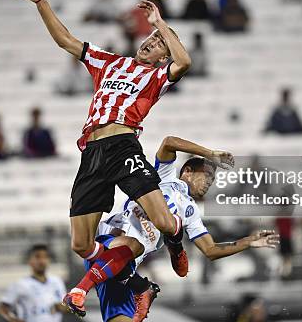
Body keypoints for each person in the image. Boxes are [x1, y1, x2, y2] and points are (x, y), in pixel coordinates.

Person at [12, 0, 192, 318]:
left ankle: (175, 241)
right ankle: (140, 286)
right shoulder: (108, 62)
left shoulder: (156, 78)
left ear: (160, 58)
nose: (150, 42)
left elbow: (184, 63)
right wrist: (41, 1)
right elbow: (66, 40)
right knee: (81, 245)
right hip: (92, 153)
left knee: (165, 223)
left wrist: (161, 22)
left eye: (157, 43)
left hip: (124, 146)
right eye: (150, 37)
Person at [78, 136, 279, 321]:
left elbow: (211, 250)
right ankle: (81, 292)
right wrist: (209, 153)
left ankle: (169, 250)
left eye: (212, 180)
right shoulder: (164, 177)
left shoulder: (192, 212)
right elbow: (169, 142)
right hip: (113, 241)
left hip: (124, 267)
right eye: (207, 176)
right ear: (187, 171)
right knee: (134, 241)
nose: (209, 183)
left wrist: (248, 242)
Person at [0, 244, 67, 322]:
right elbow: (3, 308)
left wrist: (61, 307)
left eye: (45, 257)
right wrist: (13, 319)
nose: (42, 261)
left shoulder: (57, 281)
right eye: (37, 257)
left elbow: (65, 306)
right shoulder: (20, 284)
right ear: (29, 260)